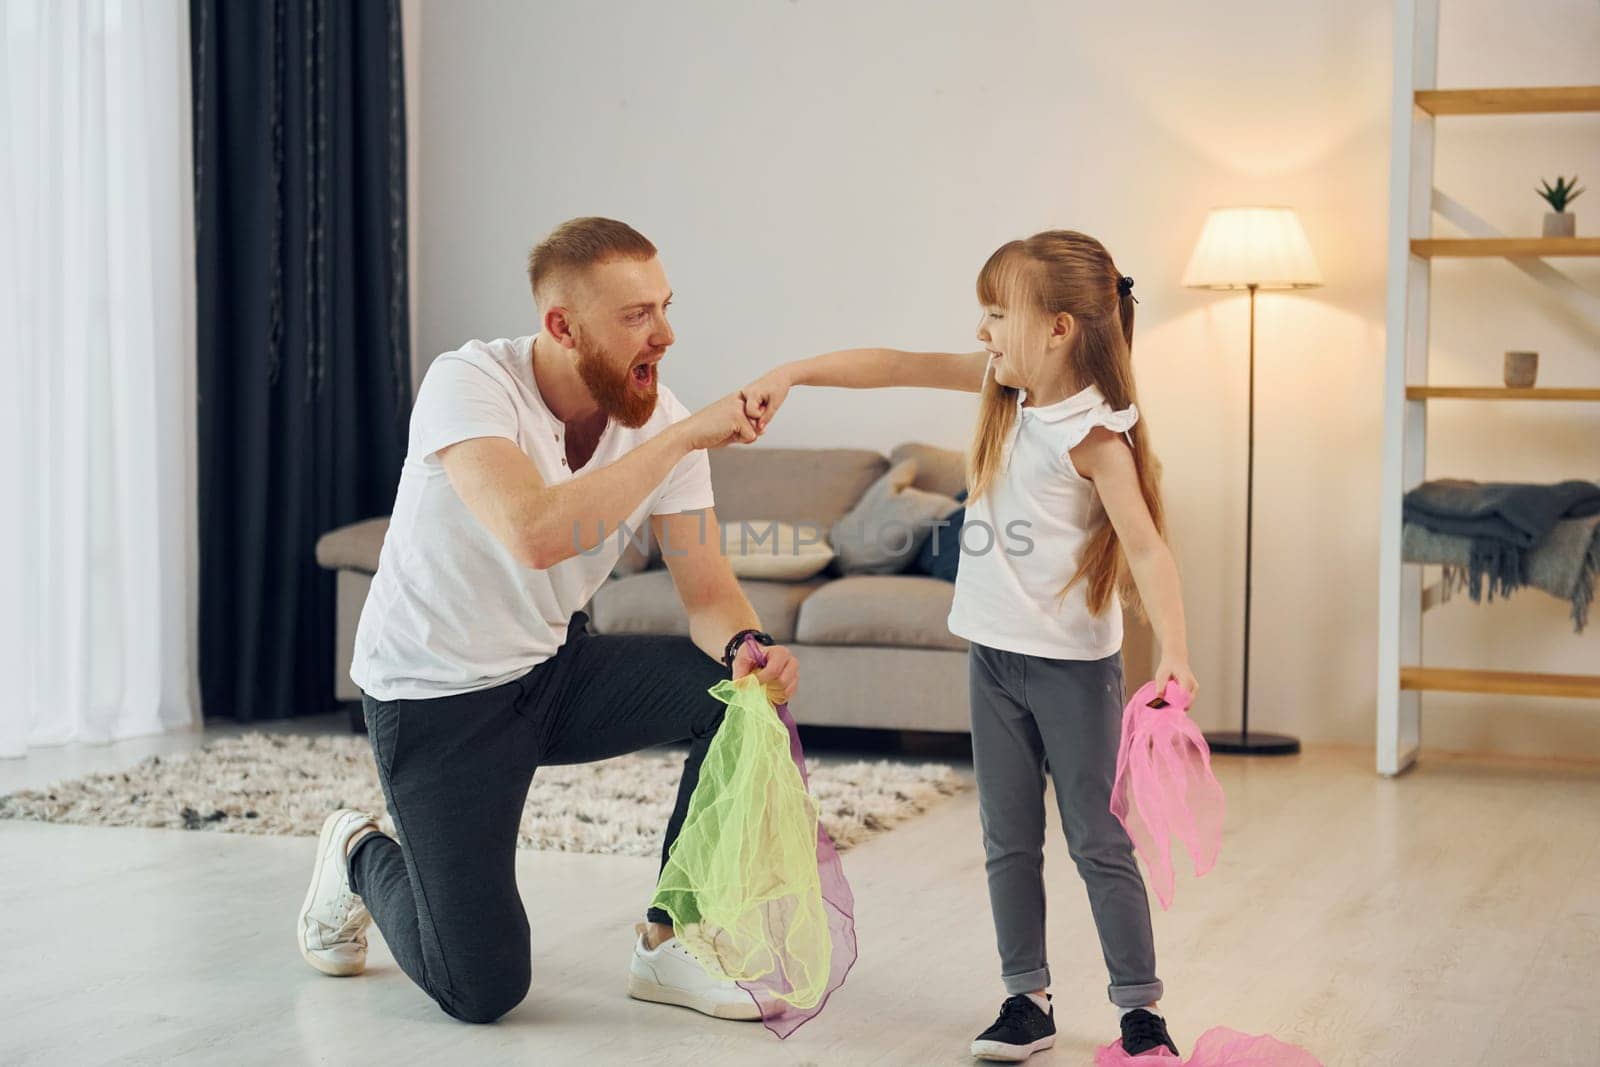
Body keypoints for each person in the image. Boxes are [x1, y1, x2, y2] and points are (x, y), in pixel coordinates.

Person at [295, 216, 799, 1025]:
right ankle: (356, 852)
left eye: (666, 306)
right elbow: (533, 532)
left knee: (734, 694)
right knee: (482, 988)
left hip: (550, 670)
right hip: (436, 697)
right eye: (637, 314)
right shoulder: (469, 384)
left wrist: (749, 648)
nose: (665, 334)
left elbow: (707, 593)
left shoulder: (661, 416)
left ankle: (670, 939)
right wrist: (684, 436)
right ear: (562, 326)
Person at [740, 230, 1197, 1061]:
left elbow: (1148, 545)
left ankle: (1141, 1009)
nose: (983, 332)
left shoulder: (1094, 433)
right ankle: (1026, 997)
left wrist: (1175, 651)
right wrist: (794, 373)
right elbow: (893, 362)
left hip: (1072, 668)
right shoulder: (1003, 390)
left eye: (997, 314)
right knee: (1007, 835)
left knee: (1096, 837)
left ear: (1058, 328)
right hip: (992, 659)